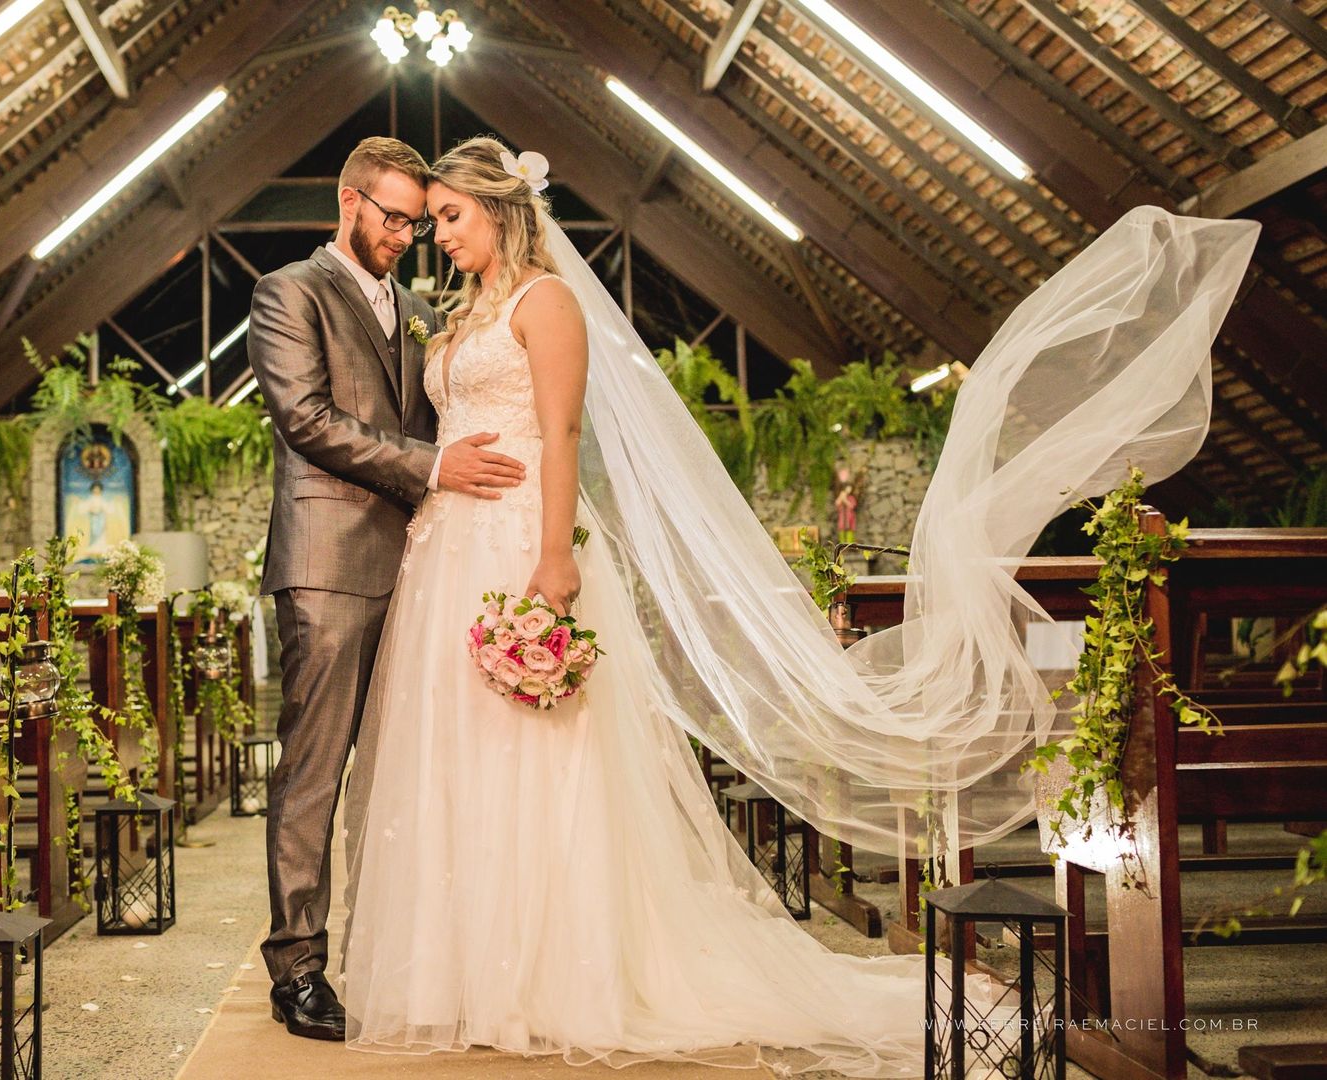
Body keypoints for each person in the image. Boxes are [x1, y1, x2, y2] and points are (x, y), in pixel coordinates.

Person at [339, 136, 1260, 1071]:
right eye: (430, 219)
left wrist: (550, 557)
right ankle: (460, 967)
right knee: (454, 752)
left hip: (517, 540)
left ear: (501, 209)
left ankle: (541, 971)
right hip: (445, 547)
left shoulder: (548, 303)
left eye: (450, 217)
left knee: (532, 756)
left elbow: (564, 432)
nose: (435, 236)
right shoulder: (456, 317)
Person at [247, 136, 531, 1042]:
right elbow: (308, 420)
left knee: (412, 772)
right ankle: (295, 969)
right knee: (314, 772)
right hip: (328, 566)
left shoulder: (412, 308)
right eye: (394, 216)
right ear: (348, 201)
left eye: (419, 220)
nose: (407, 234)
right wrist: (435, 465)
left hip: (421, 564)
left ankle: (404, 952)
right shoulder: (288, 291)